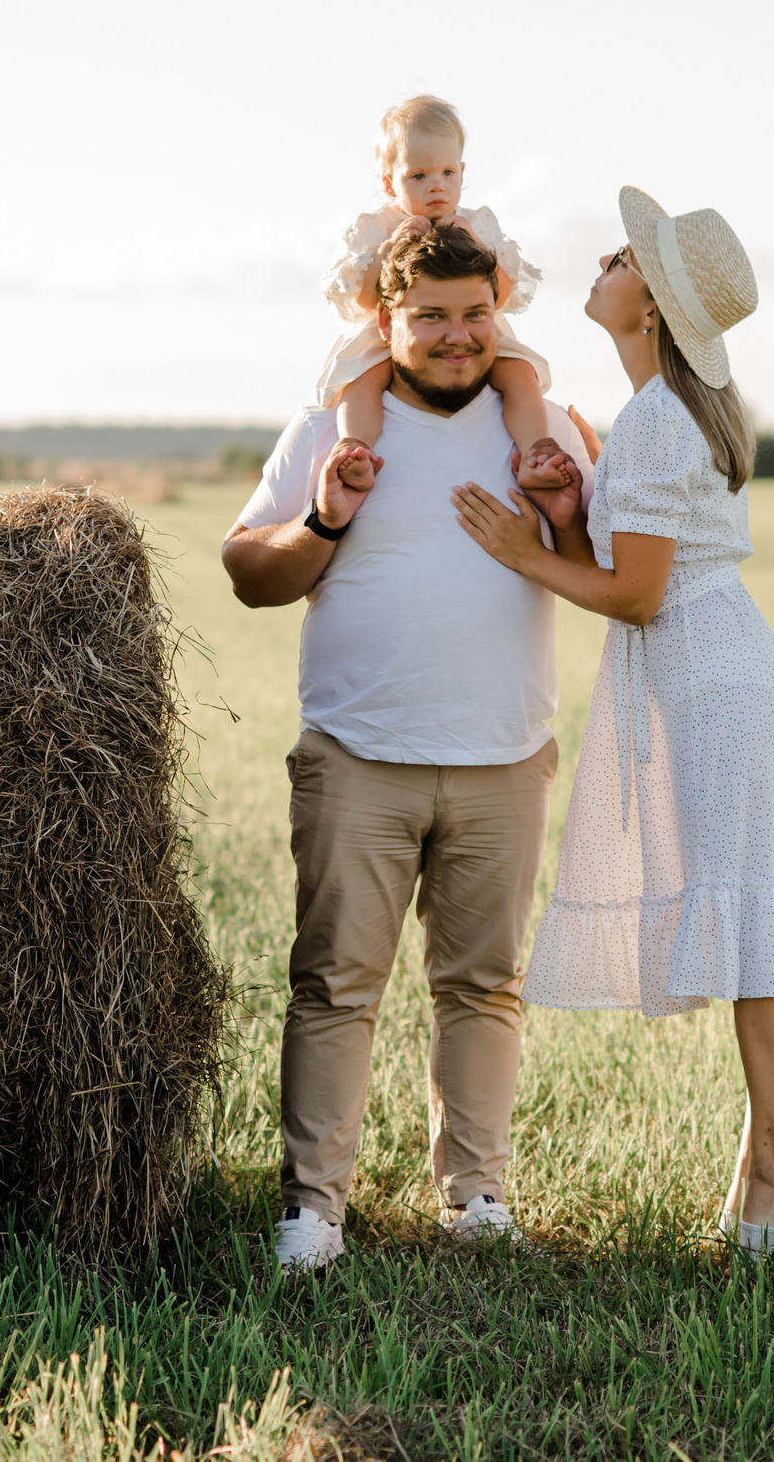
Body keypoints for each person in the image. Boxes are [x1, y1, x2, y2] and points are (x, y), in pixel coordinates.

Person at [450, 186, 774, 1257]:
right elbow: (625, 572)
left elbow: (638, 597)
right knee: (751, 928)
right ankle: (770, 1167)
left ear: (651, 309)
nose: (604, 262)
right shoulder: (650, 416)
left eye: (624, 258)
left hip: (717, 687)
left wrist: (523, 550)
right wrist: (574, 516)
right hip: (711, 682)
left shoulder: (663, 418)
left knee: (754, 926)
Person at [224, 214, 593, 1274]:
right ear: (386, 321)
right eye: (429, 316)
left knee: (482, 985)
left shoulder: (544, 429)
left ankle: (474, 1194)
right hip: (357, 755)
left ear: (498, 315)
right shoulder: (332, 429)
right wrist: (325, 520)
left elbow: (597, 561)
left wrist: (560, 514)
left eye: (474, 314)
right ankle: (313, 1208)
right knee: (336, 982)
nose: (454, 335)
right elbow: (250, 571)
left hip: (504, 758)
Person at [316, 95, 570, 498]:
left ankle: (536, 450)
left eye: (448, 172)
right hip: (392, 333)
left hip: (472, 327)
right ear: (388, 183)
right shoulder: (377, 226)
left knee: (519, 372)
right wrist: (387, 251)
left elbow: (500, 295)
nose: (436, 184)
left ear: (462, 172)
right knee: (361, 377)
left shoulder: (476, 223)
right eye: (418, 176)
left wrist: (477, 248)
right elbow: (362, 300)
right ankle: (356, 448)